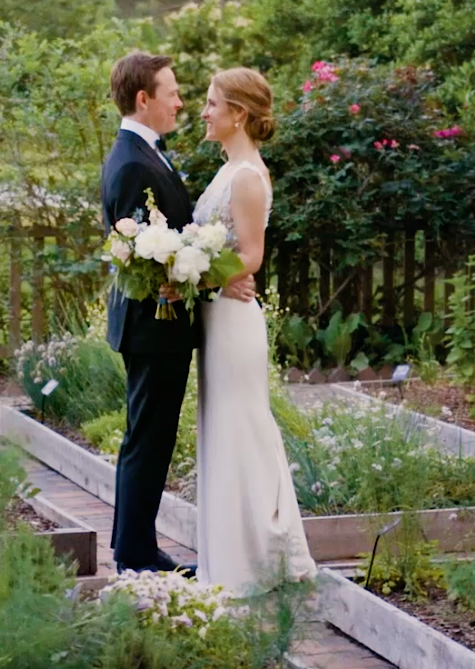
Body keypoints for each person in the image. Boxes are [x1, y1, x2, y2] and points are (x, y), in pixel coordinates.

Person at [99, 52, 254, 576]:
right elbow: (145, 254)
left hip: (160, 328)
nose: (180, 102)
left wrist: (213, 266)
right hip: (152, 328)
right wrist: (213, 271)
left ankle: (133, 547)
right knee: (147, 439)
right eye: (171, 92)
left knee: (149, 437)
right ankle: (136, 554)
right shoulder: (131, 163)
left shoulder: (146, 155)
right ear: (144, 100)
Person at [189, 67, 317, 594]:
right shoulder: (229, 168)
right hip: (218, 313)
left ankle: (262, 554)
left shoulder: (245, 176)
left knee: (243, 427)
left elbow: (251, 255)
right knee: (223, 429)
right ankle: (231, 556)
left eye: (213, 103)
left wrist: (189, 274)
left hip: (233, 321)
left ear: (239, 113)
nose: (204, 111)